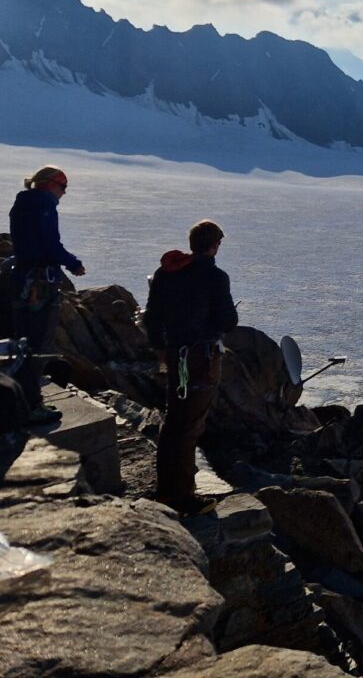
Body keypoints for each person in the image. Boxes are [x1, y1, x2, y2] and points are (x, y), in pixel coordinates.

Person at [144, 219, 238, 516]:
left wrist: (161, 349)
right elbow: (228, 321)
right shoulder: (215, 276)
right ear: (215, 245)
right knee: (190, 425)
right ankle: (182, 496)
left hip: (175, 353)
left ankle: (167, 489)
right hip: (202, 358)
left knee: (174, 420)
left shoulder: (167, 272)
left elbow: (152, 317)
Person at [8, 165, 85, 424]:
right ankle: (31, 405)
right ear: (51, 184)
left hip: (23, 279)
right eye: (63, 186)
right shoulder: (43, 204)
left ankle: (19, 398)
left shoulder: (22, 203)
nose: (64, 192)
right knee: (38, 344)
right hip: (40, 284)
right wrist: (73, 263)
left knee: (23, 342)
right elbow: (50, 244)